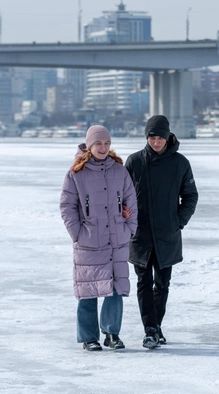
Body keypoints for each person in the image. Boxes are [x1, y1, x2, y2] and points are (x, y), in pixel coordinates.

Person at [60, 125, 138, 351]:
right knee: (88, 290)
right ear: (89, 146)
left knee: (115, 289)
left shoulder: (119, 170)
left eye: (106, 144)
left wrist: (129, 228)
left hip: (116, 239)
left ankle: (112, 333)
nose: (103, 148)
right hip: (89, 240)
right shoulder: (76, 172)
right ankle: (88, 337)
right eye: (98, 144)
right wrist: (78, 233)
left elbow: (131, 200)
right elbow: (67, 207)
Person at [125, 115, 198, 349]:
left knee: (162, 284)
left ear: (168, 137)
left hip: (168, 235)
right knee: (143, 282)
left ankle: (155, 327)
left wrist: (178, 221)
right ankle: (151, 330)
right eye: (152, 137)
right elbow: (122, 196)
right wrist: (124, 214)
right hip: (140, 234)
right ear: (147, 137)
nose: (156, 142)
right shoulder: (134, 161)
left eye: (160, 138)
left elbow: (190, 196)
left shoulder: (180, 163)